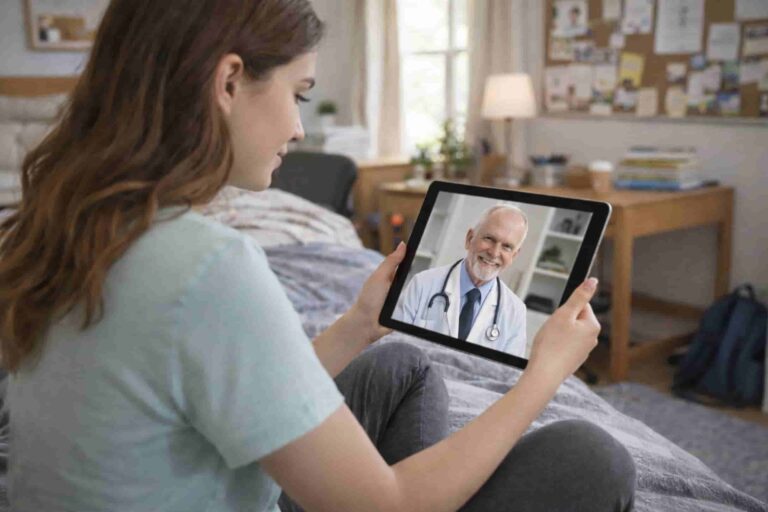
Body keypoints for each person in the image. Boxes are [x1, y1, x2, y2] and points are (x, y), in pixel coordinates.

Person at [0, 1, 636, 511]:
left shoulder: (61, 227)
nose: (300, 128)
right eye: (298, 93)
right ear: (227, 82)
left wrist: (360, 323)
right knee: (591, 456)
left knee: (402, 365)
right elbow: (386, 504)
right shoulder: (207, 268)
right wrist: (545, 375)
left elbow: (213, 378)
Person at [393, 205, 529, 356]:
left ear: (514, 256)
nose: (494, 252)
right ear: (469, 238)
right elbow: (394, 345)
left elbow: (507, 374)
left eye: (507, 247)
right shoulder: (422, 284)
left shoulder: (516, 311)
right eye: (489, 239)